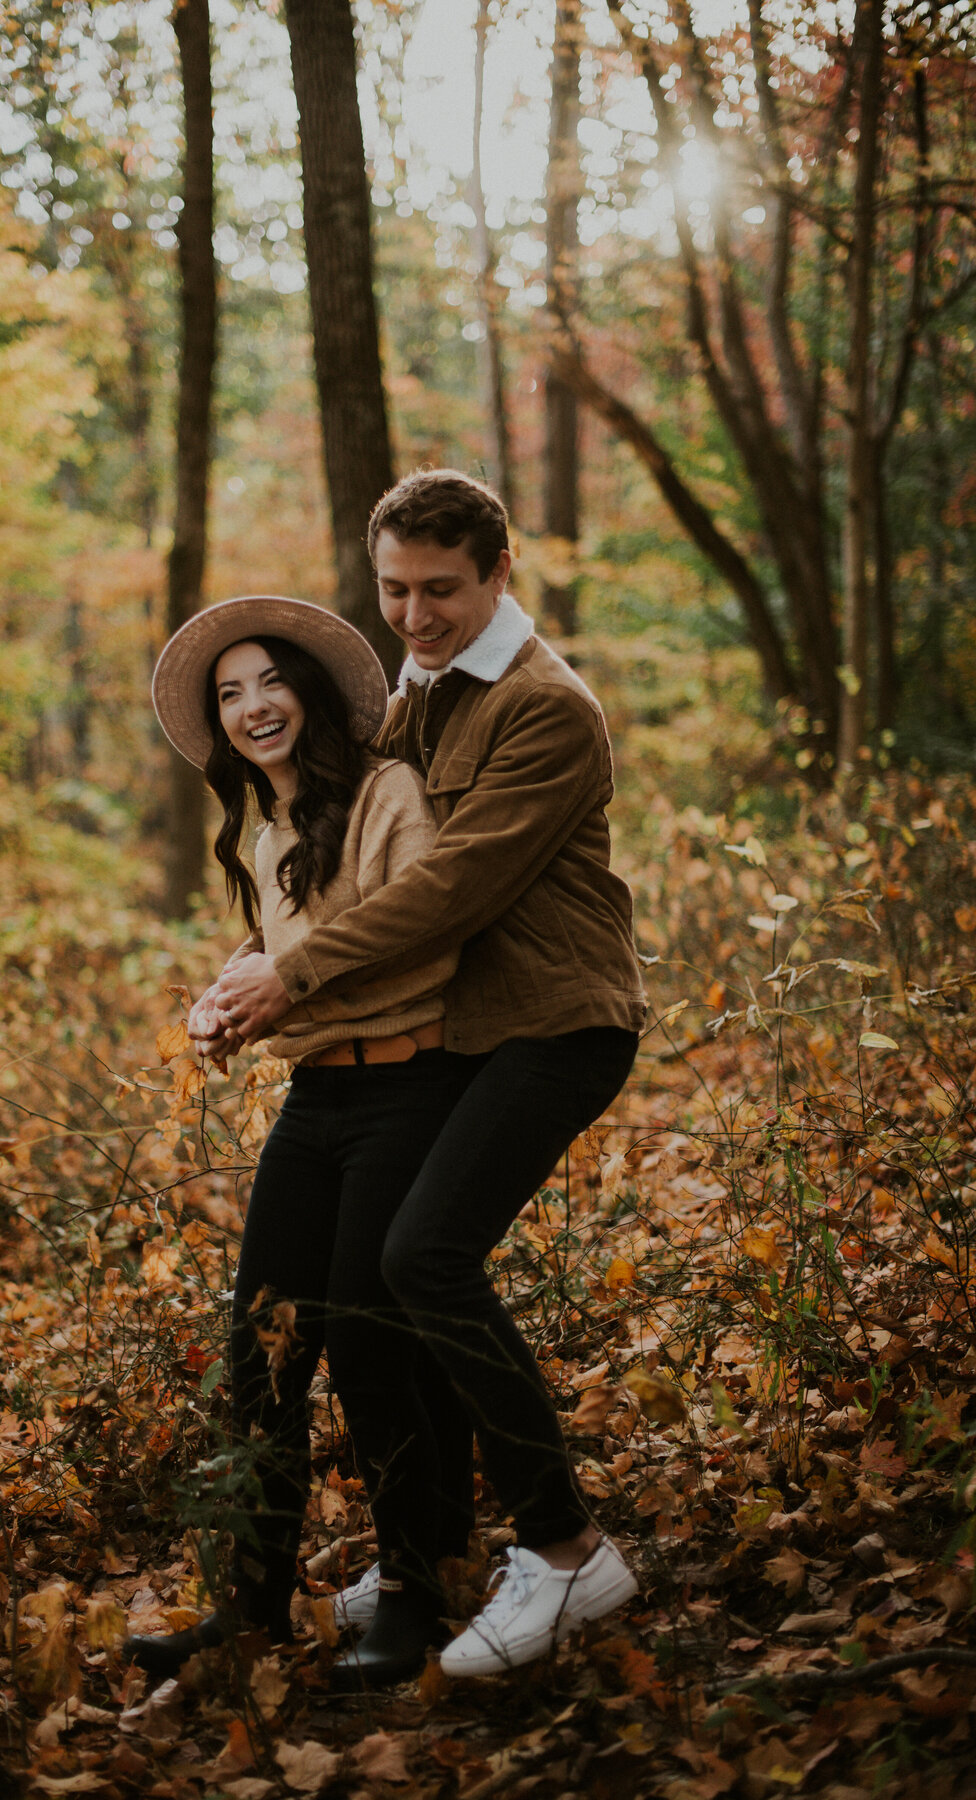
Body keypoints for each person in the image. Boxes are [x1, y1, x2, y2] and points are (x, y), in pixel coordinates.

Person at [211, 469, 648, 1677]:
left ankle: (566, 1553)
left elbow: (448, 889)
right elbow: (349, 862)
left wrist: (288, 981)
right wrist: (253, 958)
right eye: (394, 589)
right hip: (454, 1035)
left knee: (423, 1259)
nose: (413, 614)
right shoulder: (415, 694)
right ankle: (437, 1554)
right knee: (376, 1295)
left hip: (557, 1023)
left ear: (500, 573)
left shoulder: (545, 710)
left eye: (441, 590)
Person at [124, 595, 478, 1692]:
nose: (250, 706)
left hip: (409, 1093)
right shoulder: (271, 831)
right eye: (228, 694)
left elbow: (426, 927)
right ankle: (250, 1604)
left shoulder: (388, 792)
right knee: (264, 1349)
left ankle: (417, 1593)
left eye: (267, 680)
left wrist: (286, 990)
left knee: (374, 1349)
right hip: (315, 1107)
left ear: (309, 692)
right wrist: (221, 1003)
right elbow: (290, 941)